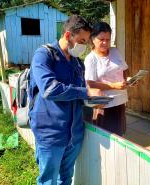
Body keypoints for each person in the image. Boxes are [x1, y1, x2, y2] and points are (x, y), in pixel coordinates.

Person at [28, 15, 98, 185]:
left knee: (66, 178)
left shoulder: (77, 63)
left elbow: (78, 95)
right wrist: (85, 92)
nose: (84, 46)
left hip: (74, 134)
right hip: (51, 133)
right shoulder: (44, 55)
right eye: (81, 40)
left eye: (86, 41)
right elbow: (50, 89)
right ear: (68, 35)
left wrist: (94, 100)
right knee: (48, 180)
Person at [84, 22, 129, 137]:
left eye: (108, 40)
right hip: (103, 105)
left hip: (119, 101)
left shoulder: (115, 52)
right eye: (101, 39)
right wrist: (113, 86)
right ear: (93, 39)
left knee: (120, 135)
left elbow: (124, 69)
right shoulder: (91, 59)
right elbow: (90, 84)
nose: (105, 43)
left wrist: (129, 80)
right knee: (104, 137)